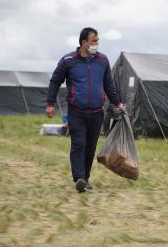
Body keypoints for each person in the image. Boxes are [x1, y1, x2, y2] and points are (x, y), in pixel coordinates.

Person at [46, 27, 125, 193]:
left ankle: (85, 178)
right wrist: (50, 103)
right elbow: (55, 81)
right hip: (77, 111)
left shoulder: (102, 60)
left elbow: (108, 84)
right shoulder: (68, 60)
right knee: (79, 144)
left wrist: (118, 103)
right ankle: (79, 178)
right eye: (94, 40)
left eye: (97, 40)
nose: (97, 43)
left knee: (90, 147)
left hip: (97, 112)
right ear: (84, 42)